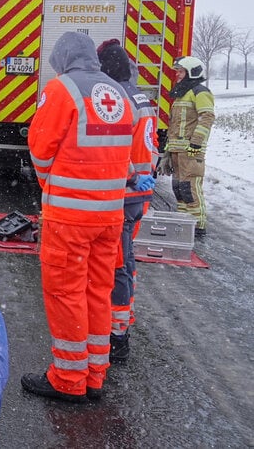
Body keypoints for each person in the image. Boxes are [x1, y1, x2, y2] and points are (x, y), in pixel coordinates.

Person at [22, 31, 134, 403]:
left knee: (65, 293)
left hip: (70, 218)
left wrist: (50, 184)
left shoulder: (61, 90)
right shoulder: (118, 92)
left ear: (63, 58)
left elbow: (40, 147)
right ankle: (95, 375)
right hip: (110, 218)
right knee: (97, 292)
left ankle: (68, 379)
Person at [97, 41, 157, 363]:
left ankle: (117, 337)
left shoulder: (116, 101)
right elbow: (151, 144)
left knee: (118, 263)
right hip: (139, 195)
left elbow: (114, 149)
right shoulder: (142, 98)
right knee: (127, 259)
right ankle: (124, 319)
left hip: (123, 191)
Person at [160, 55, 215, 240]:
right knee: (179, 187)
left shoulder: (200, 92)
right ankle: (184, 221)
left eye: (181, 72)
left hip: (191, 151)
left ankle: (197, 226)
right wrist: (168, 151)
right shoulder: (182, 93)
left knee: (190, 188)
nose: (177, 75)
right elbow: (175, 124)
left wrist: (196, 143)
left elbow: (207, 117)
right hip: (178, 151)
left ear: (192, 72)